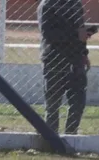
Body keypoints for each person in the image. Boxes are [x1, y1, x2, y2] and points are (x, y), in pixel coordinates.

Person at [38, 0, 90, 135]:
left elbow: (81, 30)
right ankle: (51, 138)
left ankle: (71, 135)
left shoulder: (75, 4)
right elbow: (48, 34)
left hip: (76, 59)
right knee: (52, 106)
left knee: (78, 103)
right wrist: (75, 35)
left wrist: (84, 53)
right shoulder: (47, 4)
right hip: (54, 60)